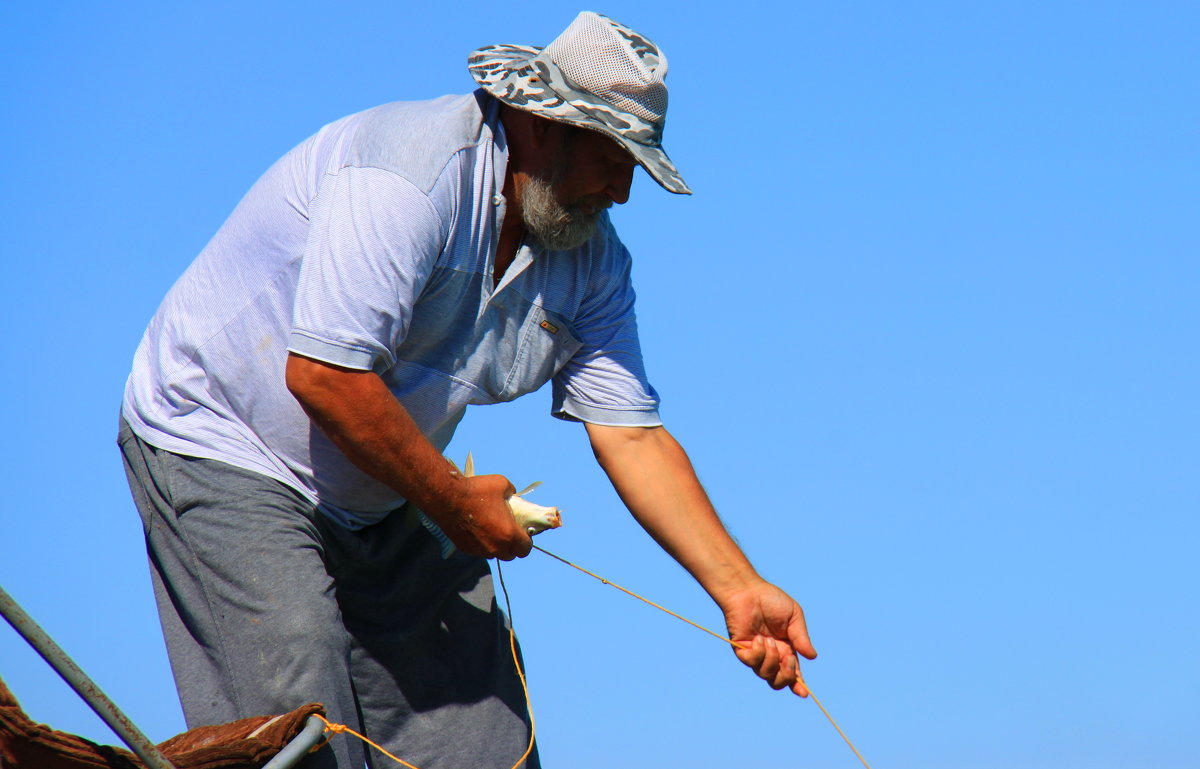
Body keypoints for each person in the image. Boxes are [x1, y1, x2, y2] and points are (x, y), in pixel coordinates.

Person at [119, 11, 816, 769]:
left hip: (380, 489)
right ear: (540, 125)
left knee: (484, 737)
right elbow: (325, 376)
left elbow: (633, 433)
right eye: (614, 156)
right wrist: (453, 502)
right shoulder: (408, 178)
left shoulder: (592, 261)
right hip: (225, 444)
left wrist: (738, 585)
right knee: (300, 701)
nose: (622, 190)